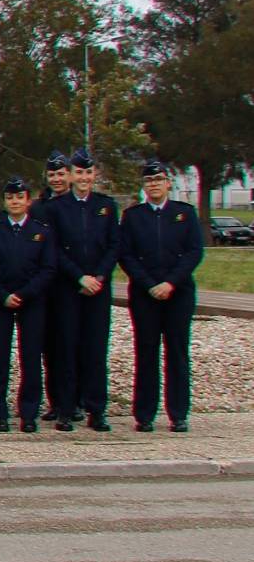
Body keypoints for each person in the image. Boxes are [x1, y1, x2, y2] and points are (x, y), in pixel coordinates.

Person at [117, 160, 201, 432]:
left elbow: (193, 253)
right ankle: (145, 414)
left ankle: (178, 414)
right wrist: (150, 284)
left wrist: (170, 283)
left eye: (159, 179)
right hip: (145, 294)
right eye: (149, 181)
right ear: (144, 186)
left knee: (177, 352)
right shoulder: (133, 216)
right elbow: (126, 255)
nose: (154, 184)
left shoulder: (185, 214)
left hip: (178, 293)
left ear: (168, 183)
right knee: (146, 352)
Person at [45, 149, 121, 432]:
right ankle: (66, 410)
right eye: (79, 172)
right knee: (66, 349)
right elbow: (53, 249)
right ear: (72, 175)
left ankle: (96, 409)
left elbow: (114, 245)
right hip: (69, 288)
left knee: (95, 350)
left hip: (98, 289)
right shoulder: (56, 208)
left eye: (89, 172)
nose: (84, 177)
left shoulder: (106, 206)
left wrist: (98, 276)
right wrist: (80, 277)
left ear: (94, 174)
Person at [0, 176, 57, 432]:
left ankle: (29, 413)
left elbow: (48, 269)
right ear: (5, 200)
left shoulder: (41, 231)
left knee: (31, 358)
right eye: (10, 197)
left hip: (31, 301)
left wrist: (25, 293)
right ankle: (0, 414)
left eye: (19, 197)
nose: (14, 202)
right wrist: (2, 295)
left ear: (28, 201)